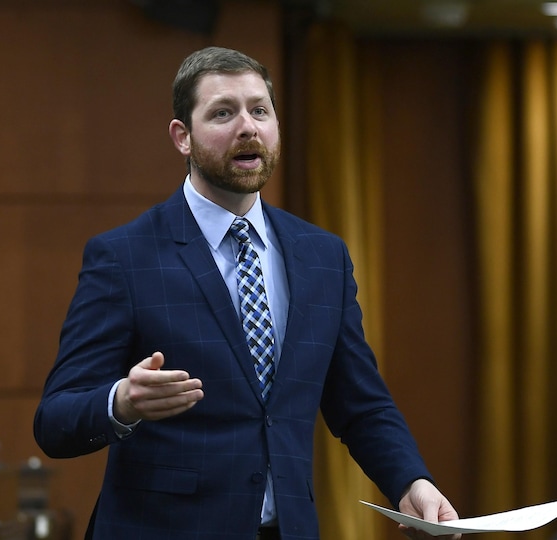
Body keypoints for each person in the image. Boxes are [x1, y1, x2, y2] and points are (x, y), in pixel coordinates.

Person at [33, 46, 460, 540]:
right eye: (222, 113)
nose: (247, 127)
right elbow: (55, 421)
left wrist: (411, 482)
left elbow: (360, 404)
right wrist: (121, 402)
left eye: (259, 110)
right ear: (182, 138)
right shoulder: (124, 257)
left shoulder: (323, 257)